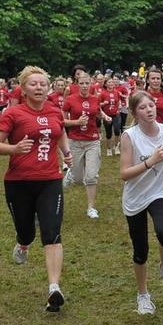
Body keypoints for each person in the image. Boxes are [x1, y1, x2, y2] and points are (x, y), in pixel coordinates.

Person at [0, 66, 74, 312]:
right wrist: (14, 149)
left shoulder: (55, 110)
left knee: (52, 233)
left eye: (43, 84)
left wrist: (66, 152)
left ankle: (54, 288)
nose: (39, 87)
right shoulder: (13, 113)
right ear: (24, 89)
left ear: (48, 88)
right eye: (33, 84)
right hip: (19, 182)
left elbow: (59, 132)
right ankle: (23, 243)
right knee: (26, 232)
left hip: (50, 180)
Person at [120, 90, 163, 315]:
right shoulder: (129, 136)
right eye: (143, 107)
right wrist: (151, 161)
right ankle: (143, 294)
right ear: (134, 113)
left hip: (159, 191)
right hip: (135, 197)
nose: (149, 110)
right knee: (140, 251)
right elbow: (124, 174)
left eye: (151, 105)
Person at [63, 71, 110, 218]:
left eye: (87, 83)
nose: (84, 86)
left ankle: (91, 208)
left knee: (91, 176)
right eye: (81, 83)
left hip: (92, 141)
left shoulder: (95, 99)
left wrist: (105, 116)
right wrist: (76, 122)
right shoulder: (70, 99)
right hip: (75, 141)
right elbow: (62, 121)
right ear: (77, 84)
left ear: (91, 84)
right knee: (78, 179)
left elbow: (98, 112)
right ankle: (71, 174)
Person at [100, 76, 125, 156]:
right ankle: (109, 149)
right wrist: (104, 103)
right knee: (109, 133)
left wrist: (119, 106)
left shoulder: (116, 92)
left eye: (112, 82)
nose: (111, 83)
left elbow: (119, 101)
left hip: (116, 115)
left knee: (117, 130)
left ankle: (116, 147)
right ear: (105, 84)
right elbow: (98, 104)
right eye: (109, 82)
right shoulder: (102, 93)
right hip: (107, 115)